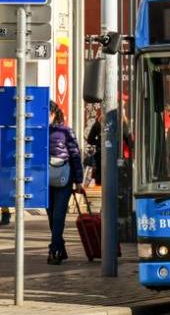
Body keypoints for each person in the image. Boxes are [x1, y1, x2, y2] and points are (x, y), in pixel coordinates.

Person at [47, 101, 83, 265]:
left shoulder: (66, 131)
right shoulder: (38, 132)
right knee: (51, 216)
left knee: (59, 215)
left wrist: (78, 181)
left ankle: (54, 250)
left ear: (54, 114)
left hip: (64, 178)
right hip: (45, 180)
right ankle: (60, 247)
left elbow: (75, 156)